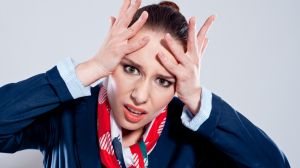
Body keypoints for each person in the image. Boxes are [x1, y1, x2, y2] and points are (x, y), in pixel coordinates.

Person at [0, 0, 290, 167]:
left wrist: (199, 101)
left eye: (163, 81)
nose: (140, 95)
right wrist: (92, 67)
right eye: (131, 69)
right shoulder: (65, 116)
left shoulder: (192, 139)